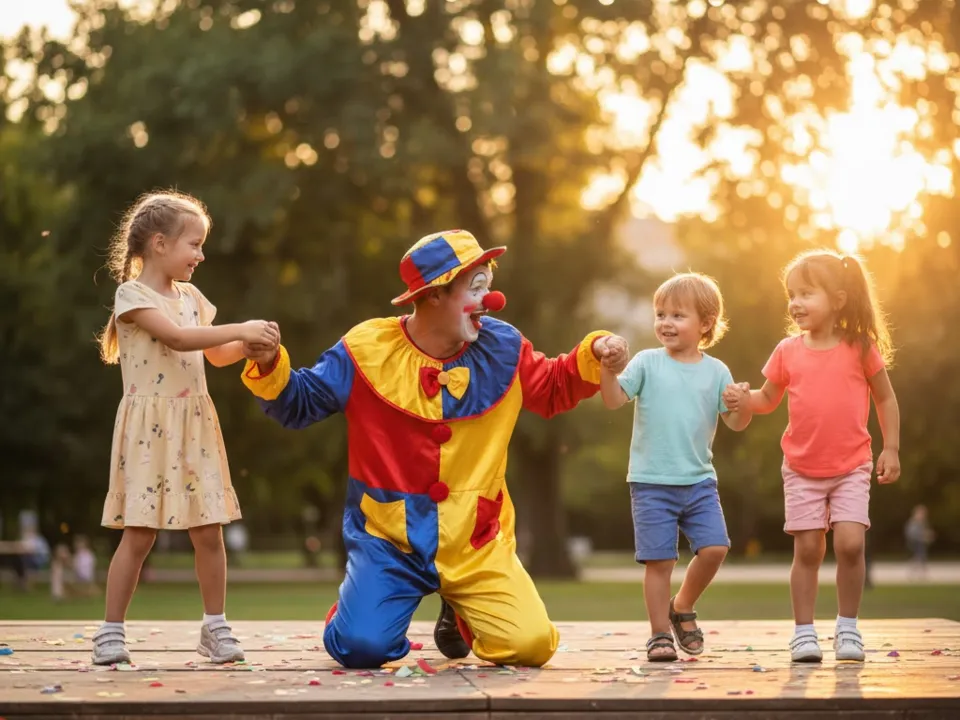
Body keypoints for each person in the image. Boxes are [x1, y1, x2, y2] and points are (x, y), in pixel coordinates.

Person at [240, 229, 629, 669]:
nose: (491, 299)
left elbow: (554, 386)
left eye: (488, 284)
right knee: (360, 647)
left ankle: (462, 612)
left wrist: (595, 351)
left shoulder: (503, 347)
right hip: (390, 540)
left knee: (532, 645)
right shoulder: (367, 350)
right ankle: (358, 608)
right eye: (476, 287)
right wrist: (271, 363)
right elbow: (298, 403)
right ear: (434, 296)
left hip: (476, 540)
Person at [91, 190, 281, 666]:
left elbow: (214, 353)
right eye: (193, 244)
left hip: (194, 422)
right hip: (149, 427)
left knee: (209, 531)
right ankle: (111, 633)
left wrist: (253, 347)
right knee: (139, 534)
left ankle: (215, 628)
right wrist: (240, 327)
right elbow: (177, 338)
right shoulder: (132, 295)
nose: (201, 254)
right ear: (159, 244)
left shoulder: (193, 297)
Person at [737, 249, 900, 663]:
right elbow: (767, 399)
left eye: (807, 293)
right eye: (792, 294)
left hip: (852, 466)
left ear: (839, 299)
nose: (795, 303)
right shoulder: (787, 350)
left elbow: (885, 397)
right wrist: (741, 400)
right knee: (808, 549)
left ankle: (848, 628)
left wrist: (892, 448)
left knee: (849, 544)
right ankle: (804, 633)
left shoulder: (859, 347)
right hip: (802, 468)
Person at [599, 272, 752, 662]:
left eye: (678, 315)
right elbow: (614, 400)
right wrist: (607, 369)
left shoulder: (717, 371)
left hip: (699, 480)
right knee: (660, 560)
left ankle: (681, 606)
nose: (666, 323)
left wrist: (741, 405)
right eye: (660, 314)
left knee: (715, 548)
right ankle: (659, 634)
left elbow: (735, 424)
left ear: (705, 324)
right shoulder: (648, 362)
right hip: (650, 482)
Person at [904, 505, 934, 580]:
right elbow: (911, 534)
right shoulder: (913, 523)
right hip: (915, 543)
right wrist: (923, 536)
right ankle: (915, 573)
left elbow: (924, 532)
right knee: (918, 557)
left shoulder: (923, 523)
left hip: (920, 543)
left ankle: (921, 574)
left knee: (920, 558)